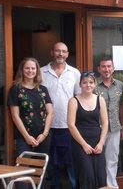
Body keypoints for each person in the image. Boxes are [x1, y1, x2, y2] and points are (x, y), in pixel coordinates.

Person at [41, 42, 80, 189]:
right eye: (58, 51)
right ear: (52, 52)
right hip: (48, 126)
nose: (60, 54)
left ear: (67, 54)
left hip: (69, 126)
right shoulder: (41, 72)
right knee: (51, 163)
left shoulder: (74, 73)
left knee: (71, 163)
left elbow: (78, 98)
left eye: (64, 51)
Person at [68, 71, 109, 188]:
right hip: (80, 142)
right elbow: (71, 125)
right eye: (85, 82)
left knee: (101, 175)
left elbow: (105, 122)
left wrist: (101, 143)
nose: (88, 85)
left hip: (97, 141)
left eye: (91, 82)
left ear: (95, 84)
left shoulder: (100, 100)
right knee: (87, 175)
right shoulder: (73, 101)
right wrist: (84, 145)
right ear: (80, 84)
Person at [7, 57, 54, 157]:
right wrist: (27, 137)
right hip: (24, 137)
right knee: (23, 168)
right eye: (27, 68)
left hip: (43, 137)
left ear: (37, 71)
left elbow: (50, 112)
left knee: (41, 169)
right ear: (22, 70)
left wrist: (44, 134)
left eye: (33, 68)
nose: (30, 71)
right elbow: (15, 116)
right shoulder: (15, 89)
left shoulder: (43, 89)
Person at [95, 56, 123, 188]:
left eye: (109, 66)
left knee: (112, 159)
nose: (106, 69)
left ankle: (111, 185)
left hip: (114, 128)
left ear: (113, 68)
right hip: (97, 128)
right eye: (103, 66)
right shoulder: (93, 84)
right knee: (98, 159)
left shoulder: (120, 84)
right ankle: (100, 185)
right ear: (99, 69)